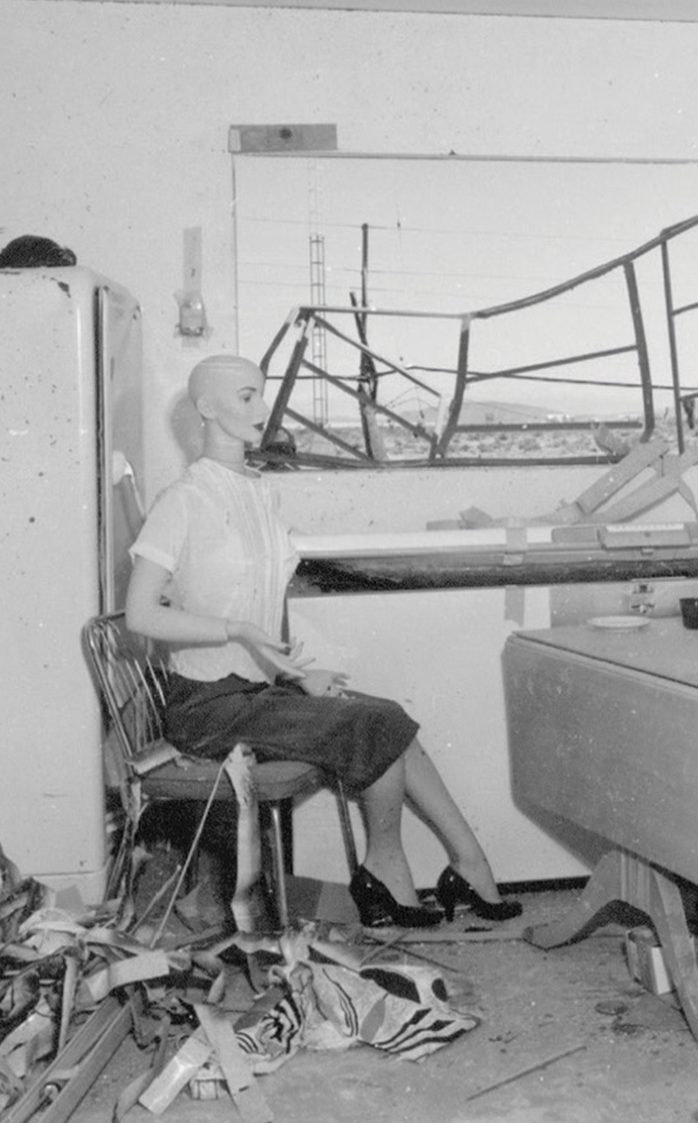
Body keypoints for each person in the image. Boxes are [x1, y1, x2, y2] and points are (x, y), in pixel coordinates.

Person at [124, 354, 520, 929]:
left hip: (252, 692)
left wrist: (296, 674)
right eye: (245, 397)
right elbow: (140, 614)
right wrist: (234, 630)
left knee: (387, 716)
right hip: (205, 707)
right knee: (372, 725)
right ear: (206, 408)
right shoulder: (181, 501)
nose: (263, 409)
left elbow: (260, 610)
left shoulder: (259, 493)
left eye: (261, 394)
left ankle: (468, 863)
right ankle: (387, 867)